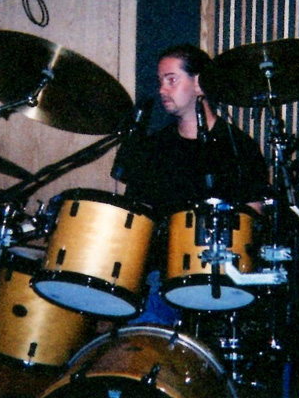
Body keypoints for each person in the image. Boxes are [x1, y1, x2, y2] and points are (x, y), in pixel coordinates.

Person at [110, 43, 269, 325]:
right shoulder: (155, 147)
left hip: (227, 274)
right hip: (163, 275)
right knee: (141, 332)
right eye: (160, 81)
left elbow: (253, 215)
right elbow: (138, 216)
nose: (162, 90)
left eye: (171, 80)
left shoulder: (239, 147)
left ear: (199, 83)